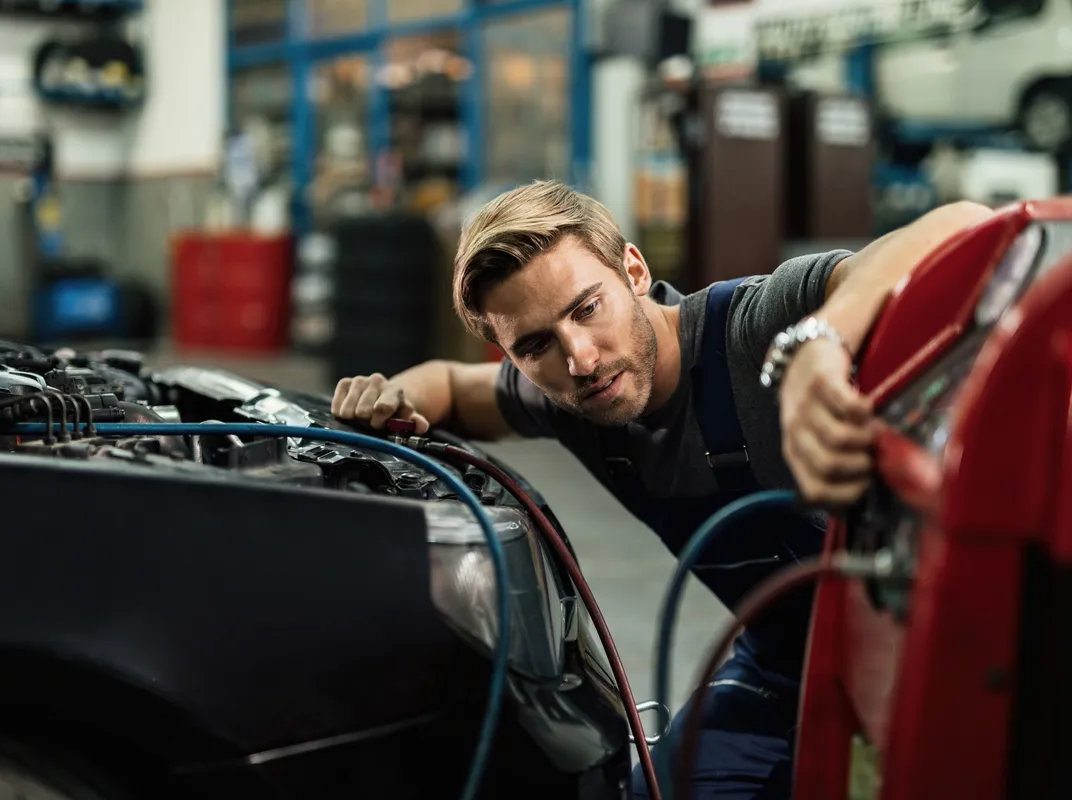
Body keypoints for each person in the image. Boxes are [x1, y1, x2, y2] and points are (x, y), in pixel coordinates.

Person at [330, 180, 992, 798]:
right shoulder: (564, 398)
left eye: (589, 308)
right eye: (536, 346)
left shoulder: (752, 329)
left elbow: (968, 226)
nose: (581, 358)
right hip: (784, 663)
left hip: (925, 665)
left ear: (635, 272)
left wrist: (821, 342)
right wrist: (389, 398)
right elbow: (448, 385)